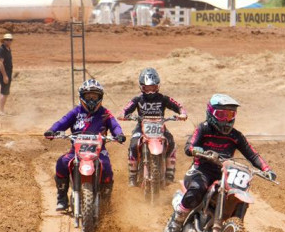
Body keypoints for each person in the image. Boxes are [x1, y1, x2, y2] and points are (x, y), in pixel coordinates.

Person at [163, 94, 276, 232]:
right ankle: (175, 225)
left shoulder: (236, 136)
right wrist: (196, 150)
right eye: (221, 114)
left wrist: (266, 169)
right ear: (211, 113)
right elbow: (189, 145)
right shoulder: (203, 129)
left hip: (224, 174)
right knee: (197, 189)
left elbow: (252, 154)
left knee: (239, 197)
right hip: (201, 170)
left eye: (230, 114)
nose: (226, 119)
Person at [43, 79, 125, 211]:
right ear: (82, 97)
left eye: (95, 96)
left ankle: (105, 201)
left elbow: (115, 125)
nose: (92, 99)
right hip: (76, 151)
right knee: (61, 163)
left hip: (99, 151)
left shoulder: (105, 113)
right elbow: (61, 122)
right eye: (88, 96)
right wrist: (52, 130)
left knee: (107, 167)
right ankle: (62, 198)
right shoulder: (75, 112)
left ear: (100, 97)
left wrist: (119, 134)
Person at [121, 67, 187, 187]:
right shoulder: (137, 99)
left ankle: (169, 173)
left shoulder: (163, 98)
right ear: (142, 87)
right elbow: (126, 109)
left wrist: (182, 113)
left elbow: (178, 106)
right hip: (141, 127)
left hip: (160, 126)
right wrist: (123, 115)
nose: (150, 90)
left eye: (153, 87)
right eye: (147, 87)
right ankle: (132, 175)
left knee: (171, 141)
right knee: (133, 144)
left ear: (157, 86)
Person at [0, 33, 14, 115]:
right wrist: (5, 76)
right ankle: (1, 110)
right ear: (3, 40)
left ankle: (2, 110)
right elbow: (0, 63)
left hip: (8, 73)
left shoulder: (8, 49)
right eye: (7, 40)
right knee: (4, 91)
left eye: (10, 40)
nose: (9, 41)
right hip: (4, 74)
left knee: (6, 91)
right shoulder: (1, 50)